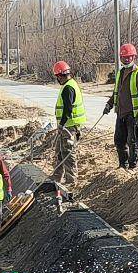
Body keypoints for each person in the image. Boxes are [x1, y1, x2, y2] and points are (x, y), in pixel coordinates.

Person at [104, 42, 138, 171]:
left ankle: (133, 166)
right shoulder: (120, 72)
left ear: (134, 57)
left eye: (129, 57)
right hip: (121, 113)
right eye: (124, 57)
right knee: (119, 141)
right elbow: (116, 92)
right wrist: (109, 104)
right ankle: (123, 165)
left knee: (133, 141)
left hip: (133, 114)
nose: (126, 59)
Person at [51, 59, 86, 212]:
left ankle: (71, 181)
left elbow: (68, 109)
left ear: (60, 75)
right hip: (69, 127)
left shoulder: (68, 88)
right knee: (60, 153)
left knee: (68, 154)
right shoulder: (69, 85)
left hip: (69, 127)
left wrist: (62, 124)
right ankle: (57, 179)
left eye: (57, 77)